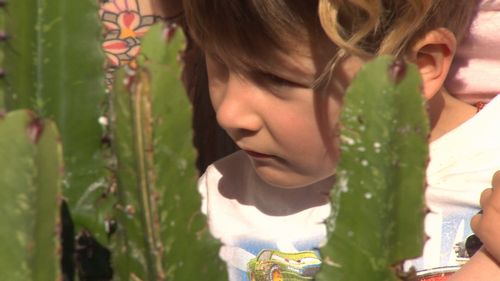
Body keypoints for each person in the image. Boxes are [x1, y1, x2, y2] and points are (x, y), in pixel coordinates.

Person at [161, 0, 500, 279]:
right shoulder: (220, 199)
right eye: (217, 63)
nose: (229, 115)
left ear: (415, 69)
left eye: (276, 79)